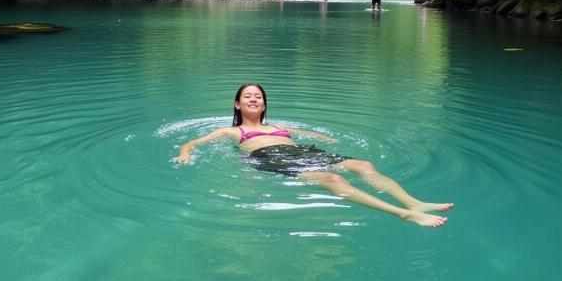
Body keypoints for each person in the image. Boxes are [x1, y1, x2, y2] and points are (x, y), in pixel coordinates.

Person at [173, 83, 453, 227]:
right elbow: (193, 142)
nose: (254, 99)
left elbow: (312, 135)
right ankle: (403, 214)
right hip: (271, 158)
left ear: (265, 103)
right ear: (237, 103)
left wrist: (326, 138)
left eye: (259, 96)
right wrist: (185, 154)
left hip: (301, 152)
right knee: (334, 181)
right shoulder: (231, 131)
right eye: (248, 96)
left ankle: (414, 203)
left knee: (363, 164)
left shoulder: (280, 126)